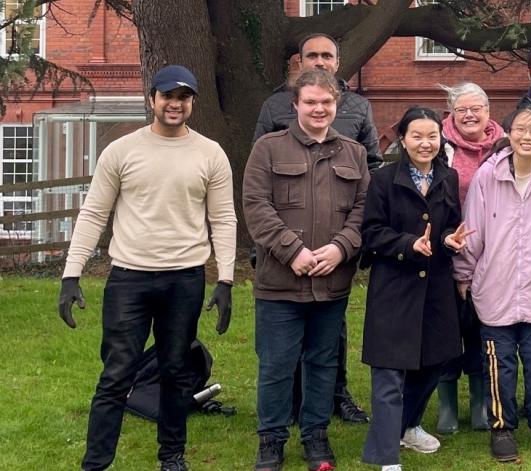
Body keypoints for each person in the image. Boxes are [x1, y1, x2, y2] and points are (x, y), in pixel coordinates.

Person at [57, 64, 236, 471]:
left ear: (192, 102)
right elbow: (93, 214)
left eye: (184, 97)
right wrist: (71, 274)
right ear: (152, 99)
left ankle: (172, 458)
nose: (175, 104)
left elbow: (224, 219)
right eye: (168, 96)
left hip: (185, 279)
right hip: (129, 280)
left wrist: (225, 279)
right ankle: (96, 463)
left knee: (175, 372)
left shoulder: (210, 154)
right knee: (117, 374)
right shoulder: (121, 151)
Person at [244, 69, 370, 471]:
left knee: (322, 363)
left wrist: (341, 248)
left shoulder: (354, 153)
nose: (319, 109)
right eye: (311, 101)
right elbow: (256, 207)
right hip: (280, 282)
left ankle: (316, 435)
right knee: (277, 365)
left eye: (326, 102)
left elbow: (363, 211)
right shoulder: (268, 148)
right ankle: (271, 439)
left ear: (337, 105)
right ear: (295, 104)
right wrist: (291, 250)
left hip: (331, 285)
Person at [453, 106, 531, 463]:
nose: (527, 136)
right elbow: (472, 228)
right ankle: (502, 426)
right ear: (509, 134)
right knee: (499, 365)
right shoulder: (487, 176)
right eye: (520, 129)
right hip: (495, 288)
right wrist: (464, 272)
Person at [360, 107, 466, 471]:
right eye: (417, 136)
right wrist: (408, 244)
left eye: (432, 136)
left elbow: (450, 224)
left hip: (436, 287)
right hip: (394, 287)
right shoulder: (384, 179)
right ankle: (385, 455)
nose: (425, 143)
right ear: (403, 140)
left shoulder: (448, 177)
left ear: (441, 139)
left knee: (434, 361)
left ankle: (407, 425)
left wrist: (452, 239)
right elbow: (371, 233)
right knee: (390, 370)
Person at [433, 82, 505, 435]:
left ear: (488, 112)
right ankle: (447, 403)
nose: (470, 115)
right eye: (462, 109)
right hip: (444, 252)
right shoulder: (438, 146)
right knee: (447, 328)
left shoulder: (504, 147)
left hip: (492, 254)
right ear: (451, 113)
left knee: (482, 327)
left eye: (476, 108)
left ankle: (480, 401)